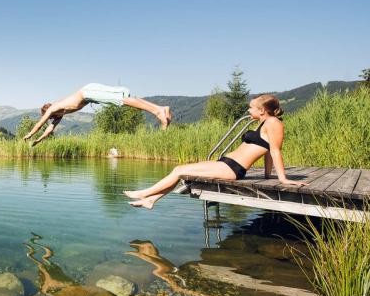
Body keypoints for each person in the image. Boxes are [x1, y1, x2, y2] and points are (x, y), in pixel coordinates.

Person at [123, 94, 305, 209]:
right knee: (180, 170)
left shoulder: (274, 123)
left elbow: (274, 151)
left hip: (233, 169)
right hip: (227, 163)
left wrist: (282, 179)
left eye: (251, 107)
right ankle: (151, 200)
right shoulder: (264, 123)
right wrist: (266, 174)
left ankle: (144, 194)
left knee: (179, 170)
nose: (248, 109)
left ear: (262, 110)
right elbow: (266, 151)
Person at [23, 83, 171, 146]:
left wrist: (29, 134)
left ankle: (157, 112)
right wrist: (38, 141)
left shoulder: (53, 108)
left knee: (121, 100)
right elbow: (49, 129)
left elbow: (40, 123)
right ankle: (160, 108)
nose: (50, 119)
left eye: (48, 117)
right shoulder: (60, 114)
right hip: (89, 93)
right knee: (123, 98)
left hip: (88, 92)